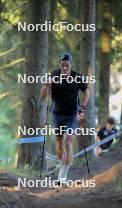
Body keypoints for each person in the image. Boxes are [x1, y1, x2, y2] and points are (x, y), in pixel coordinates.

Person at [41, 52, 89, 184]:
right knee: (58, 142)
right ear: (59, 65)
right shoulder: (53, 75)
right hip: (57, 114)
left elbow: (86, 91)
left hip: (72, 114)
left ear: (71, 65)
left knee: (68, 141)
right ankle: (62, 165)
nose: (65, 68)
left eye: (67, 65)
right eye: (63, 65)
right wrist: (46, 84)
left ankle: (62, 176)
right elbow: (43, 94)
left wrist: (82, 108)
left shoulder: (77, 77)